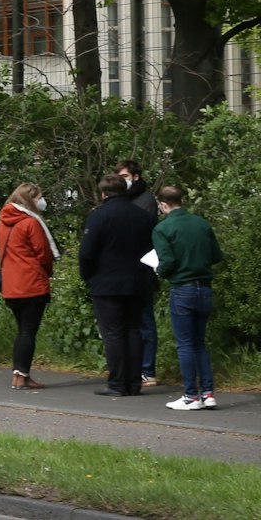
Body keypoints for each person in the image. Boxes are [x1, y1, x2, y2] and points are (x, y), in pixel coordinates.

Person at [80, 172, 157, 397]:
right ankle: (133, 382)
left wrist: (88, 276)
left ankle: (117, 382)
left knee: (113, 333)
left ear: (103, 193)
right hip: (138, 280)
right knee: (134, 330)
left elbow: (86, 253)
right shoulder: (143, 216)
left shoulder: (99, 217)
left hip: (107, 282)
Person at [152, 184, 222, 411]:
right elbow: (215, 255)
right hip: (205, 287)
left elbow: (168, 262)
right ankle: (208, 393)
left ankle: (190, 395)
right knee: (200, 343)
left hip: (182, 288)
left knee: (185, 344)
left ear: (163, 204)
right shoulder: (201, 224)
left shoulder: (162, 229)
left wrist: (159, 271)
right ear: (182, 200)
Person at [0, 182, 58, 389]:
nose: (41, 201)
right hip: (31, 283)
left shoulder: (4, 222)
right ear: (30, 199)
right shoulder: (31, 223)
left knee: (22, 330)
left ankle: (18, 374)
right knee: (28, 331)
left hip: (11, 284)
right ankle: (22, 374)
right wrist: (48, 273)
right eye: (39, 197)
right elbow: (43, 253)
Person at [117, 159, 161, 388]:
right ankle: (134, 367)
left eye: (125, 176)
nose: (123, 180)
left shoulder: (145, 201)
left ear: (135, 176)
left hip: (141, 268)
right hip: (126, 269)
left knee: (144, 321)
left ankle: (147, 370)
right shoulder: (128, 199)